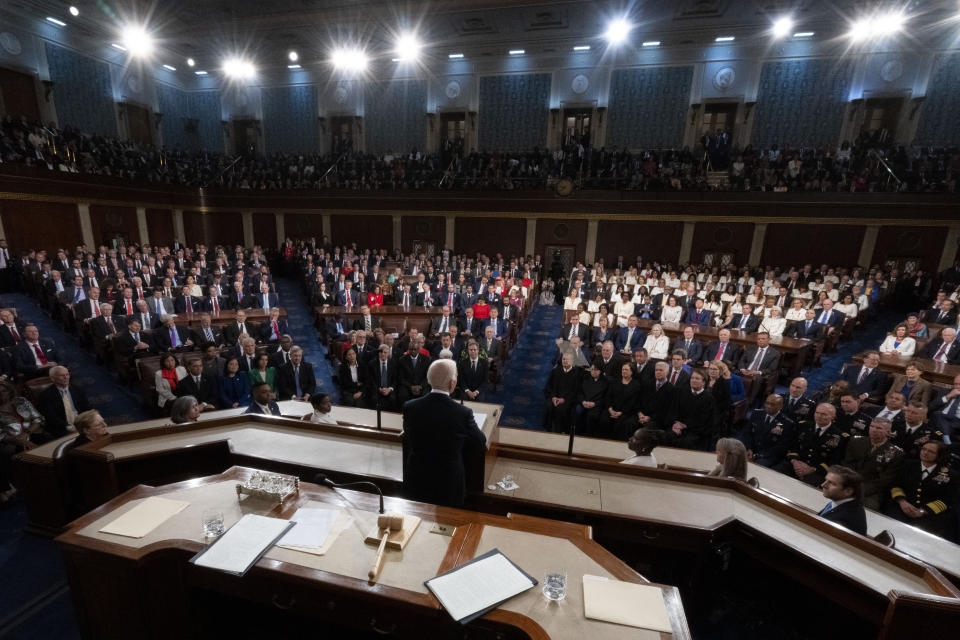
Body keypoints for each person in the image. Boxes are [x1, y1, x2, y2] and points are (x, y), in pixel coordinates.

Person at [401, 359, 487, 507]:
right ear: (452, 383)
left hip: (417, 477)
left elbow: (408, 436)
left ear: (429, 380)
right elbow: (480, 442)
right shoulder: (463, 413)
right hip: (448, 482)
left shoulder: (410, 407)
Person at [884, 441, 956, 537]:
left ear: (939, 455)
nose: (925, 453)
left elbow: (948, 500)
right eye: (924, 449)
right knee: (891, 525)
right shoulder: (907, 465)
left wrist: (923, 511)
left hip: (929, 514)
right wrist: (902, 502)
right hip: (901, 506)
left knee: (916, 534)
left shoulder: (950, 475)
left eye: (931, 451)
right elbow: (895, 485)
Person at [776, 403, 849, 486]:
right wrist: (795, 462)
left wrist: (812, 469)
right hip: (795, 464)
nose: (819, 416)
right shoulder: (803, 425)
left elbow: (835, 461)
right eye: (817, 413)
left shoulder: (840, 436)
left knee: (806, 487)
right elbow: (793, 446)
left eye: (823, 414)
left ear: (833, 416)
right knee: (776, 472)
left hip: (817, 471)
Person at [842, 417, 904, 510]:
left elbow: (884, 480)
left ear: (888, 432)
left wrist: (859, 490)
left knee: (868, 506)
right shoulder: (856, 441)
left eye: (879, 428)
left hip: (872, 491)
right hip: (850, 481)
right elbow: (848, 464)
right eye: (872, 426)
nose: (874, 430)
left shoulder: (896, 453)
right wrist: (851, 484)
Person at [739, 394, 796, 468]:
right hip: (751, 450)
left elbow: (781, 447)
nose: (768, 406)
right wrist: (749, 448)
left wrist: (758, 456)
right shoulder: (757, 413)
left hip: (768, 456)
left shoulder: (787, 423)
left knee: (755, 467)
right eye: (767, 403)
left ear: (781, 406)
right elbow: (747, 433)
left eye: (772, 404)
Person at [670, 370, 716, 450]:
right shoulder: (681, 392)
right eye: (692, 378)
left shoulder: (709, 399)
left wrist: (685, 425)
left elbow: (704, 420)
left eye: (697, 378)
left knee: (686, 442)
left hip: (696, 430)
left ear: (704, 382)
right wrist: (675, 424)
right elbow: (674, 410)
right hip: (677, 426)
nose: (693, 380)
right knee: (667, 436)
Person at [818, 466, 868, 535]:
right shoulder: (840, 503)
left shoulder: (845, 518)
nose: (823, 485)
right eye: (826, 480)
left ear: (848, 491)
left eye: (832, 483)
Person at [543, 352, 581, 433]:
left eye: (567, 359)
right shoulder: (555, 371)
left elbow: (576, 391)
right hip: (554, 397)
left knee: (561, 409)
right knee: (549, 406)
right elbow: (549, 386)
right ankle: (548, 429)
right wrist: (553, 397)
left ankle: (561, 431)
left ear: (572, 361)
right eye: (564, 359)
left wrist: (563, 399)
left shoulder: (576, 374)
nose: (565, 361)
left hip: (568, 400)